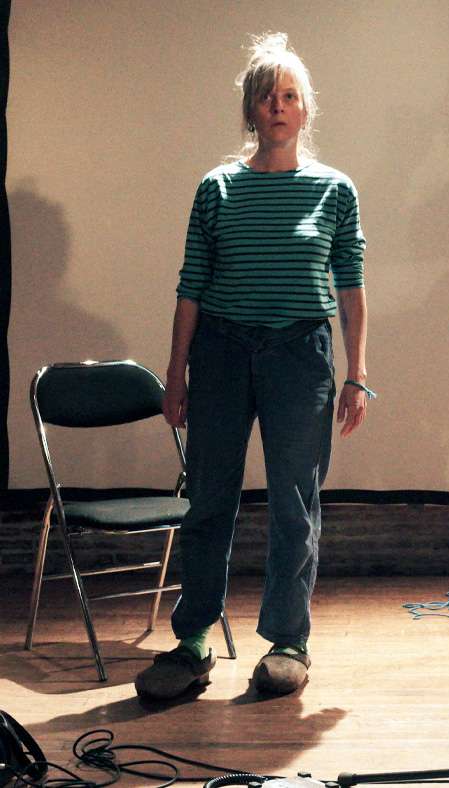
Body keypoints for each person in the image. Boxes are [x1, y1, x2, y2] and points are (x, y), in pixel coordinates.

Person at [136, 33, 370, 698]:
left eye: (289, 96)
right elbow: (190, 286)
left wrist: (356, 374)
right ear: (250, 109)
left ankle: (288, 642)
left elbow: (351, 289)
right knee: (209, 498)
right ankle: (191, 641)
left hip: (301, 355)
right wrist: (176, 373)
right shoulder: (217, 189)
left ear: (304, 111)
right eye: (267, 96)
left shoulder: (334, 190)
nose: (278, 106)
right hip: (221, 350)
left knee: (296, 501)